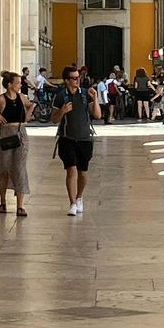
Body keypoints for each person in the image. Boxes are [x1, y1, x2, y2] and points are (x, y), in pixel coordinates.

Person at [0, 68, 32, 217]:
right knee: (4, 170)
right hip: (5, 136)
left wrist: (31, 109)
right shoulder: (1, 99)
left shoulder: (22, 98)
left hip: (21, 134)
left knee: (20, 169)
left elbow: (28, 111)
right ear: (10, 84)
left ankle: (20, 206)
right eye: (18, 83)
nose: (20, 85)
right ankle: (3, 202)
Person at [53, 62, 101, 215]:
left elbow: (97, 115)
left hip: (85, 138)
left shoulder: (86, 93)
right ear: (66, 80)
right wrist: (62, 111)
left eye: (78, 77)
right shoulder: (60, 96)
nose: (77, 80)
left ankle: (79, 197)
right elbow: (53, 119)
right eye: (73, 78)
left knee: (83, 172)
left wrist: (96, 98)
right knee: (71, 170)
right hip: (67, 138)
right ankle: (72, 202)